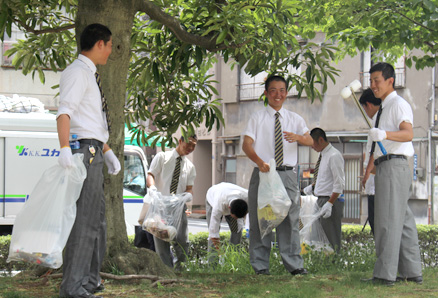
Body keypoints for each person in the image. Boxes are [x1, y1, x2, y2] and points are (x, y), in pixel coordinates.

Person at [57, 24, 121, 298]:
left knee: (97, 220)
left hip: (94, 148)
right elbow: (64, 114)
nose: (110, 51)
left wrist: (107, 150)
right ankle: (73, 287)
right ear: (99, 44)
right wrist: (63, 148)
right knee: (84, 221)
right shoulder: (77, 73)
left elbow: (89, 122)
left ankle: (89, 281)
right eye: (109, 45)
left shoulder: (89, 75)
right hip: (84, 151)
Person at [242, 75, 313, 276]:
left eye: (282, 90)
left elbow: (310, 141)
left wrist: (299, 137)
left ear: (286, 93)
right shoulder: (256, 117)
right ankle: (261, 266)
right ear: (266, 93)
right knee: (261, 219)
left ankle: (294, 265)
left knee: (290, 219)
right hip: (263, 174)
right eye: (273, 90)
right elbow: (246, 145)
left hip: (287, 175)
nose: (278, 94)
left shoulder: (295, 119)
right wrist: (259, 162)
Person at [364, 62, 422, 285]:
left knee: (386, 219)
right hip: (390, 166)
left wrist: (384, 133)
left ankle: (384, 274)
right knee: (404, 221)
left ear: (390, 80)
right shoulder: (385, 107)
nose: (373, 85)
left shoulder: (398, 104)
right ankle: (412, 271)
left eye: (376, 81)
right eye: (371, 81)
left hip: (394, 165)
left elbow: (408, 134)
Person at [146, 135, 197, 269]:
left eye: (194, 146)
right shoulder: (162, 157)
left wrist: (187, 197)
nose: (191, 148)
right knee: (161, 239)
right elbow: (151, 174)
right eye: (189, 144)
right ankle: (166, 270)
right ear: (180, 141)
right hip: (160, 205)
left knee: (181, 240)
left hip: (178, 208)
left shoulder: (190, 167)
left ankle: (181, 269)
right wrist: (152, 188)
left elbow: (189, 189)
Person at [305, 128, 345, 252]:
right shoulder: (323, 155)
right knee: (319, 236)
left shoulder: (334, 156)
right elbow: (325, 178)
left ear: (321, 140)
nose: (312, 147)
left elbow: (339, 184)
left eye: (313, 144)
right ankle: (325, 261)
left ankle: (335, 261)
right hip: (321, 199)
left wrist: (330, 203)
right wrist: (313, 187)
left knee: (331, 235)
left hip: (330, 200)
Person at [206, 182, 248, 263]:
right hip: (213, 195)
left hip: (229, 192)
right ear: (229, 208)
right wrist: (220, 253)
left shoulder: (247, 197)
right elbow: (213, 233)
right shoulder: (218, 206)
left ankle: (234, 262)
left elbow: (240, 227)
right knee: (213, 234)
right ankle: (212, 266)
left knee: (237, 231)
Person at [359, 88, 382, 235]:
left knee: (377, 225)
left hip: (376, 185)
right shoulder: (380, 118)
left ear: (368, 104)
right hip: (377, 183)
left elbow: (375, 150)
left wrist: (367, 174)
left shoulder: (379, 120)